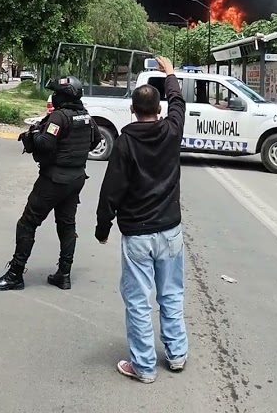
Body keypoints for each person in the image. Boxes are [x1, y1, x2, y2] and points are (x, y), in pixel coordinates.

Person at [95, 55, 189, 383]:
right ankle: (177, 355)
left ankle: (144, 367)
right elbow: (179, 101)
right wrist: (171, 73)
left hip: (137, 235)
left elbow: (111, 190)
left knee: (138, 301)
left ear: (132, 111)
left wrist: (103, 227)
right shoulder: (172, 130)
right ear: (159, 110)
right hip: (170, 230)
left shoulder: (124, 142)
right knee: (172, 294)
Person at [0, 75, 100, 291]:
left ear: (62, 96)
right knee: (67, 225)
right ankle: (64, 274)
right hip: (76, 179)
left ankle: (15, 274)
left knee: (27, 223)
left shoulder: (59, 117)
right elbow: (95, 141)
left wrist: (32, 133)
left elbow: (45, 144)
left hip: (54, 180)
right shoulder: (85, 116)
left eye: (56, 93)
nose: (53, 97)